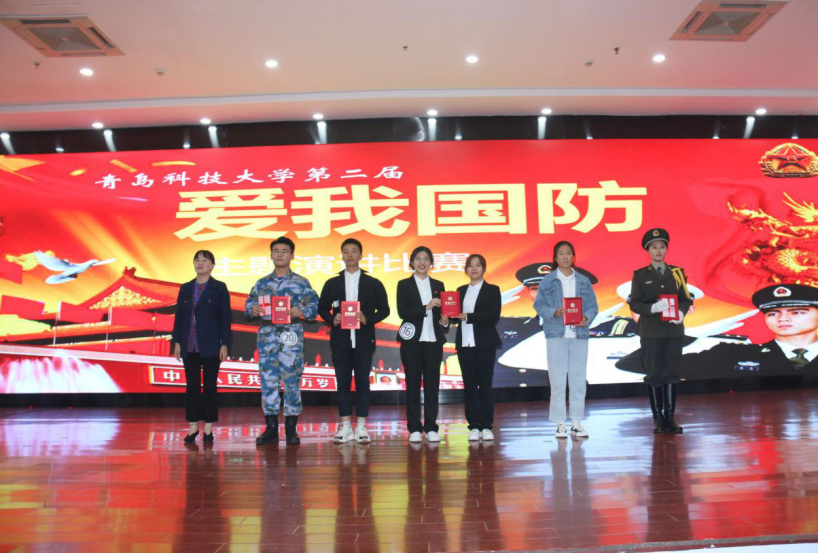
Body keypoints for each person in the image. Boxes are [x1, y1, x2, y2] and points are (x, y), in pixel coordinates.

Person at [245, 237, 319, 446]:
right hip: (267, 335)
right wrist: (252, 309)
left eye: (284, 251)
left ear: (292, 256)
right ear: (271, 255)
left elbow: (314, 305)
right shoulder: (262, 283)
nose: (279, 254)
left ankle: (291, 428)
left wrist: (301, 310)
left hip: (290, 334)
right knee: (268, 381)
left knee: (292, 379)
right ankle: (271, 428)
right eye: (276, 251)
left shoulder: (301, 282)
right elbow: (249, 304)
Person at [318, 238, 391, 444]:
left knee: (362, 383)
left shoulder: (373, 283)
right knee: (342, 383)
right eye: (346, 251)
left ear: (361, 255)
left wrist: (368, 318)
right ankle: (345, 426)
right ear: (342, 255)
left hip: (363, 339)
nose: (350, 255)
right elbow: (322, 308)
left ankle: (361, 426)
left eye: (353, 251)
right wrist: (332, 318)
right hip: (340, 340)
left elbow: (384, 309)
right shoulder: (332, 283)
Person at [665, 284, 817, 379]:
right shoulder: (733, 353)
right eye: (773, 314)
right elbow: (662, 367)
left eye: (797, 312)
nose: (783, 319)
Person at [628, 228, 693, 435]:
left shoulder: (677, 273)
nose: (658, 251)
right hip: (651, 332)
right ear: (648, 251)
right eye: (654, 247)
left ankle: (669, 417)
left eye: (662, 247)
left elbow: (685, 299)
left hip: (673, 331)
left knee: (671, 374)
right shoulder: (640, 275)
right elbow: (635, 304)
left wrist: (681, 312)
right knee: (654, 374)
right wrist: (653, 308)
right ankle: (657, 418)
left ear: (666, 249)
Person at [533, 241, 599, 439]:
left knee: (578, 380)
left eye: (568, 253)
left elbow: (592, 306)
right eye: (561, 254)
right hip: (556, 335)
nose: (565, 257)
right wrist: (554, 312)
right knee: (557, 380)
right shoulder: (548, 281)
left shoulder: (583, 281)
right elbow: (539, 305)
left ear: (573, 256)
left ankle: (576, 423)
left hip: (579, 335)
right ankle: (560, 423)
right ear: (555, 258)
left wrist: (586, 317)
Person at [171, 250, 231, 444]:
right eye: (197, 260)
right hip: (189, 345)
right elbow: (179, 317)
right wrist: (176, 341)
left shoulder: (219, 288)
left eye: (204, 260)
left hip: (211, 345)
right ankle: (192, 427)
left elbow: (226, 318)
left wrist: (224, 344)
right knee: (192, 386)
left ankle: (208, 427)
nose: (200, 263)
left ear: (212, 265)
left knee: (210, 387)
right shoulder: (186, 288)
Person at [396, 246, 449, 444]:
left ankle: (431, 427)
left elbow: (444, 312)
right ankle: (414, 428)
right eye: (418, 259)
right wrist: (427, 306)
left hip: (434, 340)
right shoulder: (404, 284)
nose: (422, 262)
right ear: (411, 262)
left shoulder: (438, 284)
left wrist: (446, 322)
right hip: (412, 342)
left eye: (426, 259)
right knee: (412, 385)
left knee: (432, 386)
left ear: (431, 263)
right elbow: (403, 312)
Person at [453, 254, 502, 442]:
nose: (474, 269)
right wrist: (446, 319)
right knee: (470, 387)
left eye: (478, 265)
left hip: (484, 344)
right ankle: (473, 426)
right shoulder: (460, 290)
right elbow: (455, 315)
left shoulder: (493, 290)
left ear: (484, 268)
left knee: (485, 386)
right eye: (470, 265)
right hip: (465, 344)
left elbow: (493, 316)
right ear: (465, 269)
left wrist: (469, 316)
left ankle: (487, 426)